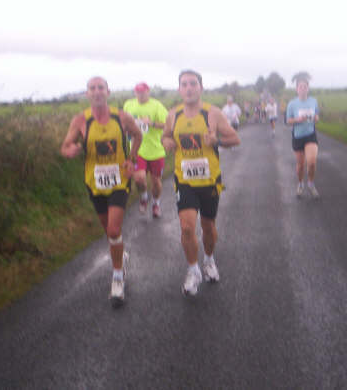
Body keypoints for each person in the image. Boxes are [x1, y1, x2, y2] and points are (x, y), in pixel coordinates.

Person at [60, 76, 142, 306]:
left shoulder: (122, 117)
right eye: (92, 89)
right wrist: (71, 150)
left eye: (101, 88)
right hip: (94, 183)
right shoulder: (80, 121)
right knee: (109, 231)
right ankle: (120, 255)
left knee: (114, 229)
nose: (97, 92)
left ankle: (118, 277)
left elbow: (138, 135)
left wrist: (132, 159)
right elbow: (64, 146)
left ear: (108, 92)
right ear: (87, 94)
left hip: (119, 182)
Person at [161, 70, 240, 296]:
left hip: (209, 181)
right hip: (184, 180)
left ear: (200, 88)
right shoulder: (173, 114)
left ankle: (209, 259)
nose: (188, 88)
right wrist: (167, 142)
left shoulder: (213, 114)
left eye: (193, 84)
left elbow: (235, 138)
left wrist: (218, 140)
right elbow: (165, 135)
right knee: (186, 227)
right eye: (184, 84)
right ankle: (193, 270)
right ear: (179, 89)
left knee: (208, 227)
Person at [123, 82, 169, 218]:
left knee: (156, 182)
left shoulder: (157, 105)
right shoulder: (128, 105)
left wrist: (152, 123)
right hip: (138, 149)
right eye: (137, 92)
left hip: (156, 150)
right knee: (139, 178)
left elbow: (167, 125)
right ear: (134, 92)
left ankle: (156, 203)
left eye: (143, 92)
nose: (140, 94)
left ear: (148, 92)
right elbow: (124, 122)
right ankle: (143, 197)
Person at [286, 76, 320, 198]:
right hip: (298, 136)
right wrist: (297, 119)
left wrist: (316, 118)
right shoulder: (292, 104)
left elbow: (317, 116)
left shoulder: (313, 101)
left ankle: (310, 183)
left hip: (310, 134)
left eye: (305, 87)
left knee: (311, 162)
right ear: (296, 89)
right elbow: (288, 121)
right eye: (300, 87)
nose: (303, 89)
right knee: (300, 165)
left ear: (308, 89)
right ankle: (300, 183)